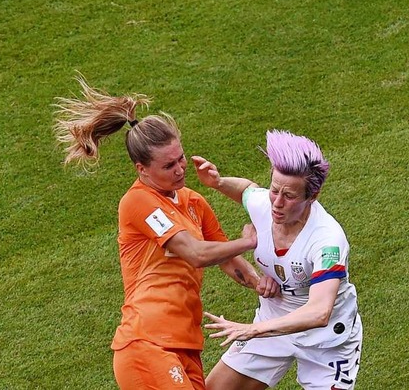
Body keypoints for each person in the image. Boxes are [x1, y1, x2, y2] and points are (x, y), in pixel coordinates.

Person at [52, 75, 277, 390]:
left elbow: (227, 259)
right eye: (169, 165)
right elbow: (197, 254)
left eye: (181, 157)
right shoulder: (138, 201)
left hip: (185, 346)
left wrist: (261, 285)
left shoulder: (193, 202)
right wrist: (249, 240)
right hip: (147, 344)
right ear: (142, 169)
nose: (181, 168)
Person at [192, 130, 362, 390]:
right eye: (274, 190)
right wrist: (218, 182)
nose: (277, 203)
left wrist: (253, 330)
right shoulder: (265, 204)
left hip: (326, 342)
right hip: (272, 324)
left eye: (290, 196)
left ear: (312, 197)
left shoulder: (327, 241)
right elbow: (247, 190)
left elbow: (319, 312)